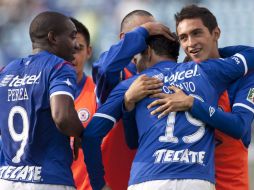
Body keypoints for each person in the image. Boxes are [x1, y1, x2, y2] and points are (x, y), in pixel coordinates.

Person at [81, 22, 254, 190]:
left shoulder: (132, 85)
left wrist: (98, 185)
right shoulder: (205, 70)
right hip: (197, 180)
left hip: (148, 179)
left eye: (136, 59)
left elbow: (91, 136)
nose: (135, 64)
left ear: (147, 52)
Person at [144, 5, 253, 190]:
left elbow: (240, 127)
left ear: (215, 33)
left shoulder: (243, 78)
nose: (190, 43)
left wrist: (192, 103)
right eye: (183, 38)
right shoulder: (179, 77)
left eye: (197, 33)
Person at [0, 11, 84, 190]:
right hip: (48, 179)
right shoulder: (59, 67)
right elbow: (62, 117)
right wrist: (80, 133)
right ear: (53, 38)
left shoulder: (5, 72)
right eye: (72, 37)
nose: (76, 45)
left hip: (6, 179)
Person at [91, 10, 171, 190]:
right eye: (144, 33)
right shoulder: (118, 74)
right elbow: (104, 68)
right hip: (114, 179)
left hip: (154, 179)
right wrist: (144, 31)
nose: (148, 41)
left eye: (152, 35)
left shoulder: (164, 75)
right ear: (124, 38)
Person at [69, 18, 97, 190]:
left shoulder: (99, 95)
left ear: (88, 51)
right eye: (67, 49)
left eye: (78, 48)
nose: (71, 56)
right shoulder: (40, 96)